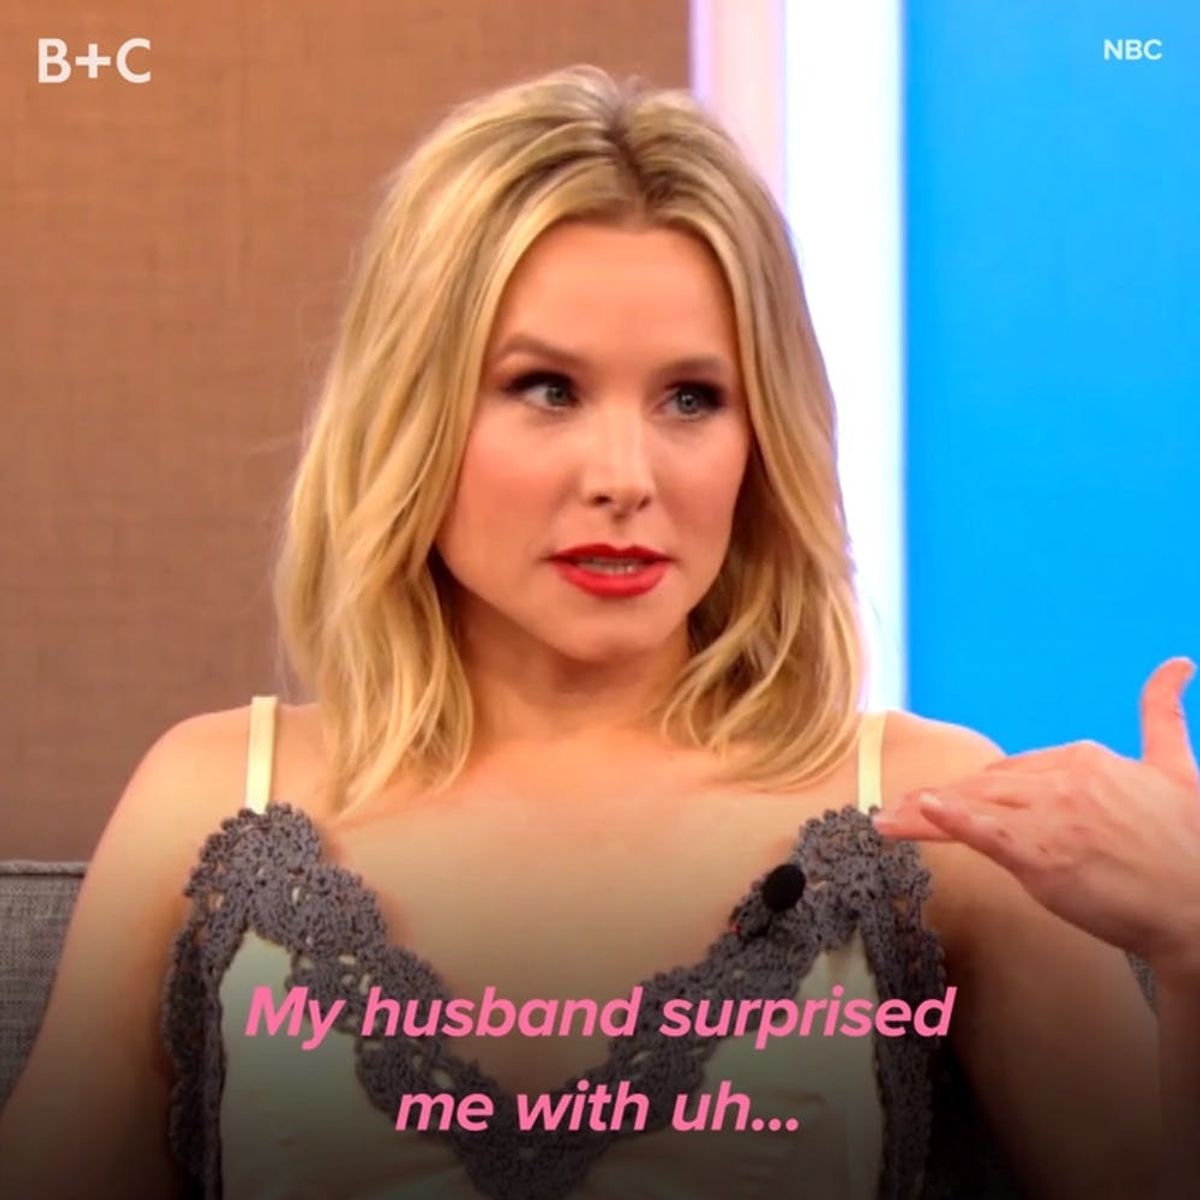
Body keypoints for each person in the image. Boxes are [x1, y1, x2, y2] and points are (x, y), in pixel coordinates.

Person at [0, 64, 1195, 1199]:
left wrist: (1191, 932)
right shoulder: (211, 799)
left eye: (691, 398)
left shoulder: (934, 819)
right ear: (412, 414)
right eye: (547, 389)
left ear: (761, 439)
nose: (625, 475)